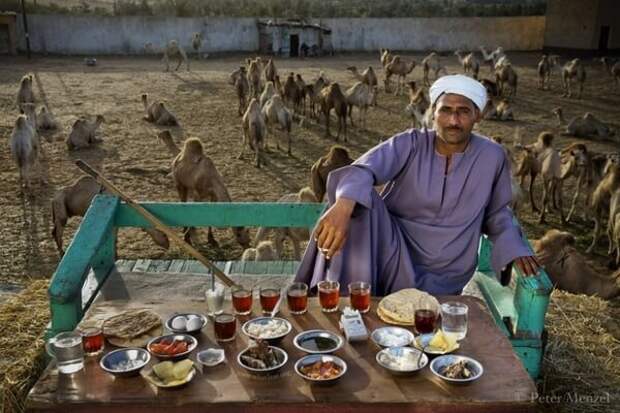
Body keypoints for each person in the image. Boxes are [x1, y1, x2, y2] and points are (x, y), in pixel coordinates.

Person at [295, 74, 540, 296]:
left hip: (449, 268)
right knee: (357, 202)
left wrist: (514, 245)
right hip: (395, 253)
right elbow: (363, 169)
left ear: (478, 115)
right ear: (433, 113)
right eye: (446, 110)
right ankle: (347, 302)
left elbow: (498, 213)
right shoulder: (410, 143)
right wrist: (344, 205)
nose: (453, 120)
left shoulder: (493, 156)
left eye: (464, 111)